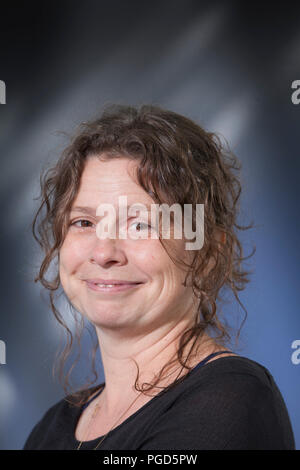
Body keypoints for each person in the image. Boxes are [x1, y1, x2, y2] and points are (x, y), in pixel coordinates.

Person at [23, 104, 295, 450]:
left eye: (140, 225)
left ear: (207, 253)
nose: (104, 253)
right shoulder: (53, 426)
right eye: (84, 223)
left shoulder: (230, 401)